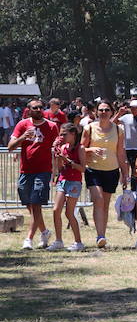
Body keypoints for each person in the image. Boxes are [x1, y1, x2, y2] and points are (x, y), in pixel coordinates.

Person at [9, 100, 59, 250]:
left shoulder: (51, 126)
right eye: (35, 108)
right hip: (26, 171)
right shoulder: (22, 125)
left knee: (36, 204)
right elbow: (10, 147)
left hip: (43, 171)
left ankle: (28, 239)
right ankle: (44, 232)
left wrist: (56, 170)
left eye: (40, 107)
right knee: (30, 205)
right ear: (29, 110)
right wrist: (23, 137)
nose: (38, 109)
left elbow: (57, 147)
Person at [82, 100, 128, 248]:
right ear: (96, 112)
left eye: (107, 110)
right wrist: (90, 150)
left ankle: (102, 235)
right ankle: (100, 235)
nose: (104, 112)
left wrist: (125, 173)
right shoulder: (89, 128)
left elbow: (120, 152)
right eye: (101, 110)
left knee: (105, 204)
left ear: (112, 112)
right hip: (93, 170)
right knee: (98, 200)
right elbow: (81, 148)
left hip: (112, 170)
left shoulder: (118, 130)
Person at [47, 123, 86, 251]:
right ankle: (58, 241)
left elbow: (82, 168)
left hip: (74, 182)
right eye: (61, 134)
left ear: (73, 134)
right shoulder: (63, 147)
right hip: (63, 180)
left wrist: (68, 160)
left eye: (64, 134)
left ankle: (78, 242)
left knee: (69, 213)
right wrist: (57, 157)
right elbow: (60, 168)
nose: (62, 136)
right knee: (56, 210)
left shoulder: (80, 148)